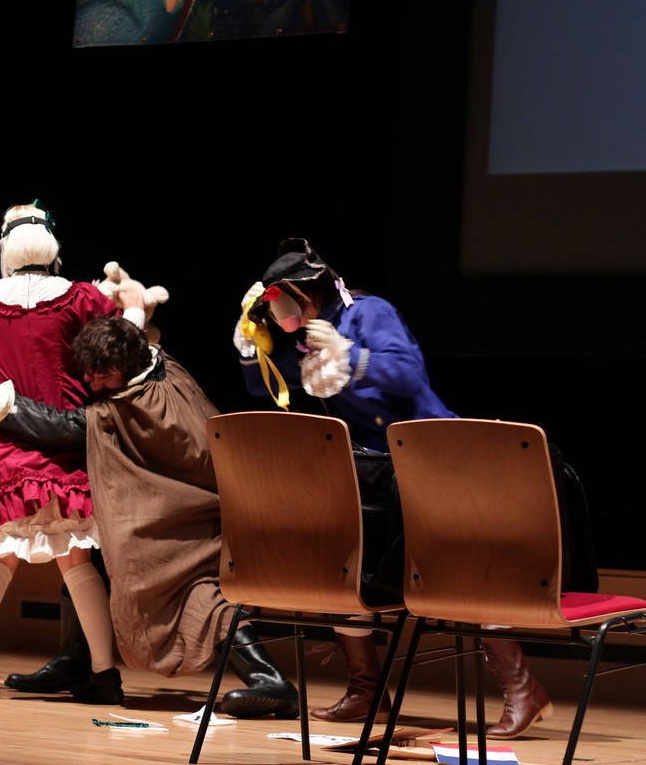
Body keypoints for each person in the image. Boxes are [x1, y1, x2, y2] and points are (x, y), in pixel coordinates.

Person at [233, 238, 553, 739]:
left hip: (432, 457)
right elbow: (268, 389)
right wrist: (251, 348)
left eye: (281, 303)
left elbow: (407, 374)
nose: (278, 315)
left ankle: (523, 689)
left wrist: (349, 355)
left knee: (464, 569)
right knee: (342, 566)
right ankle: (367, 690)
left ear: (304, 293)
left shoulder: (368, 313)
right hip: (372, 468)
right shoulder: (304, 339)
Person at [0, 315, 300, 719]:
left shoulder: (134, 405)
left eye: (101, 376)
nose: (91, 383)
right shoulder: (162, 363)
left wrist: (4, 404)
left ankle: (272, 681)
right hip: (203, 499)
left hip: (194, 512)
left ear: (127, 366)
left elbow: (69, 428)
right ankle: (75, 659)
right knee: (84, 552)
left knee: (191, 591)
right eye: (88, 373)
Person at [0, 201, 143, 704]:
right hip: (59, 445)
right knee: (75, 562)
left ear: (5, 245)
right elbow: (121, 342)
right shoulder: (80, 299)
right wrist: (135, 304)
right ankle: (103, 673)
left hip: (4, 445)